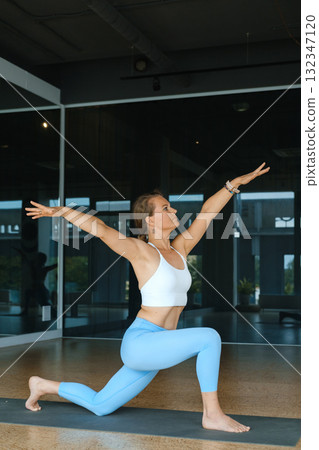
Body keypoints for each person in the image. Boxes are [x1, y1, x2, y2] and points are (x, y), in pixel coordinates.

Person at [25, 162, 270, 432]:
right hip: (142, 343)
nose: (174, 210)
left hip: (158, 346)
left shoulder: (180, 249)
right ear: (149, 220)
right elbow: (99, 228)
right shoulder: (141, 251)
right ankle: (212, 415)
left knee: (101, 405)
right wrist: (58, 211)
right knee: (209, 338)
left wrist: (233, 184)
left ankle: (43, 385)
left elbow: (207, 213)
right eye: (166, 208)